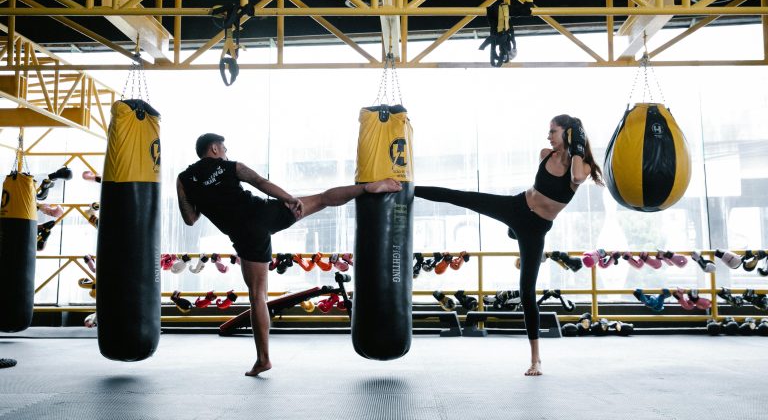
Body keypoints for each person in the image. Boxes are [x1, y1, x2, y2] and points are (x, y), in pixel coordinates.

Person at [176, 133, 401, 377]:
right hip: (264, 214)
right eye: (224, 148)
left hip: (245, 235)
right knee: (323, 198)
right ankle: (368, 188)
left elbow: (190, 219)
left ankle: (263, 360)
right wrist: (289, 199)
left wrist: (203, 198)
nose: (226, 152)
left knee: (257, 297)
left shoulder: (184, 179)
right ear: (215, 149)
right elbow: (261, 182)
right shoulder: (230, 166)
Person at [414, 115, 603, 377]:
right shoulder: (545, 154)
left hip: (534, 229)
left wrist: (578, 147)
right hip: (516, 207)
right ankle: (406, 188)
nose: (548, 137)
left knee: (526, 292)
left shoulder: (582, 166)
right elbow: (551, 172)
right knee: (463, 198)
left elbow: (577, 178)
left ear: (569, 134)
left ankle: (536, 360)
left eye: (553, 131)